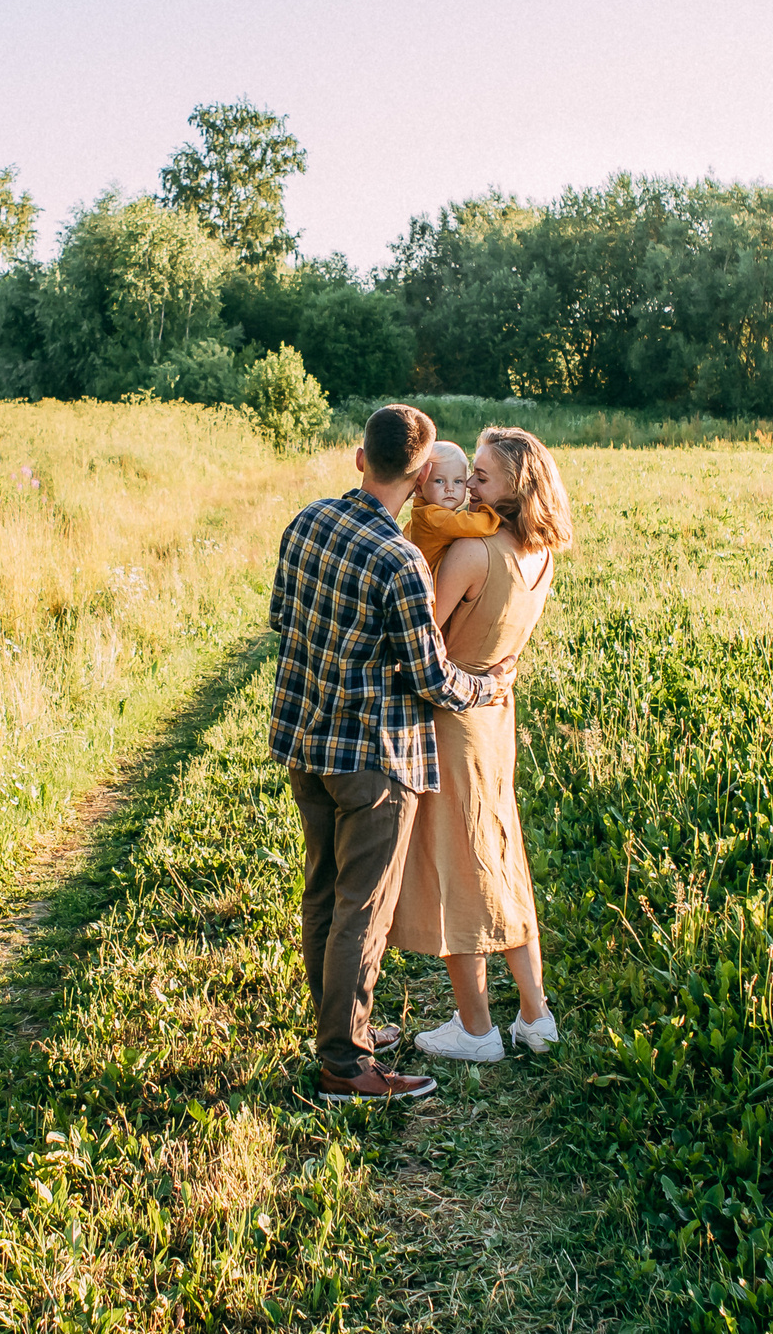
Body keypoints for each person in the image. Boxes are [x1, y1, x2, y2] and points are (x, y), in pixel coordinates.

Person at [270, 404, 516, 1105]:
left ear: (359, 459)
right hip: (373, 760)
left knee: (323, 891)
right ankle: (345, 1064)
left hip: (305, 743)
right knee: (363, 908)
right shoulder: (401, 560)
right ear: (417, 476)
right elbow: (431, 676)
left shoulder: (307, 522)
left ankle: (337, 1030)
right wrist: (488, 684)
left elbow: (283, 619)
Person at [389, 426, 573, 1062]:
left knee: (458, 870)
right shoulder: (541, 555)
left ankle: (475, 1031)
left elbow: (420, 646)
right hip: (498, 718)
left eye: (484, 477)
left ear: (516, 489)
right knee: (503, 855)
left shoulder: (475, 554)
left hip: (454, 719)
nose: (470, 487)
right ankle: (535, 1015)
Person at [403, 441, 501, 572]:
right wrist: (493, 516)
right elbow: (471, 524)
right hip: (435, 582)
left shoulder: (422, 513)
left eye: (458, 481)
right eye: (439, 481)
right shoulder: (432, 515)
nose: (450, 488)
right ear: (419, 487)